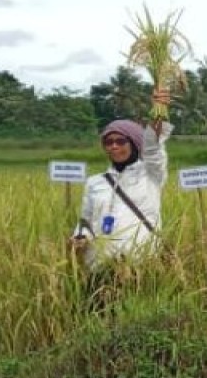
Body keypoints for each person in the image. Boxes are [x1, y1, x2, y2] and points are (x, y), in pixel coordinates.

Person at [70, 89, 173, 271]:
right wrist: (80, 236)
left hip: (141, 265)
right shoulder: (95, 182)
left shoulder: (151, 174)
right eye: (108, 142)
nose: (114, 146)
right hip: (101, 266)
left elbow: (153, 150)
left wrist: (159, 113)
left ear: (134, 143)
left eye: (120, 141)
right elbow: (86, 220)